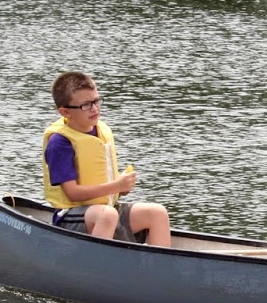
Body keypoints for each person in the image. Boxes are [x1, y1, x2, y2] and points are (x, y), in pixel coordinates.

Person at [41, 71, 172, 247]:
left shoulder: (100, 130)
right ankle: (94, 270)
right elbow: (72, 193)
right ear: (65, 112)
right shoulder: (60, 142)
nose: (95, 109)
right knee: (107, 215)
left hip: (106, 210)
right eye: (86, 105)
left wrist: (121, 188)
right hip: (71, 217)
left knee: (157, 213)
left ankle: (159, 271)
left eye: (96, 101)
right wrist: (116, 186)